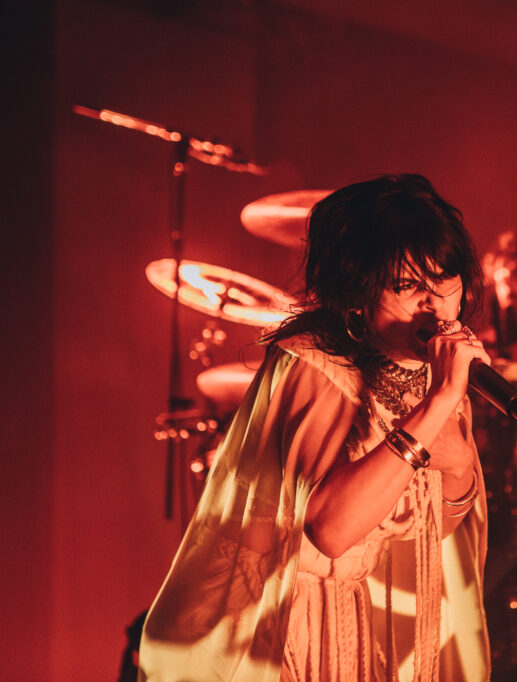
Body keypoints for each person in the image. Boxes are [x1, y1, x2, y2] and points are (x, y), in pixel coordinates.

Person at [139, 174, 491, 682]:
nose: (433, 304)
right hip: (281, 622)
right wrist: (437, 406)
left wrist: (457, 462)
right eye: (407, 286)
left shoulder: (434, 372)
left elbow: (433, 527)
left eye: (444, 280)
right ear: (358, 291)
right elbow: (331, 530)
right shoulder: (314, 363)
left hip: (357, 623)